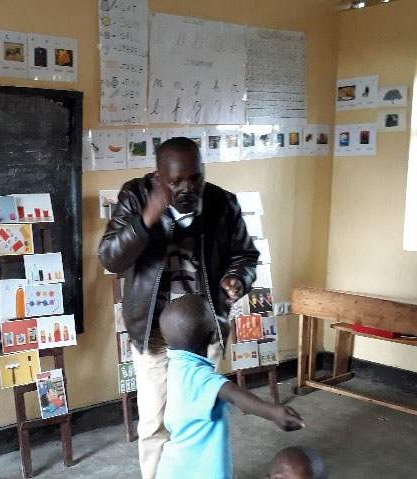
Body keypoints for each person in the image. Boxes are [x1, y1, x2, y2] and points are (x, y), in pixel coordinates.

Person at [98, 137, 259, 479]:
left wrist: (236, 279)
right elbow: (111, 258)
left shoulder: (222, 203)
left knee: (199, 417)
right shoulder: (135, 195)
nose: (188, 188)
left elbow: (245, 256)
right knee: (156, 421)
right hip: (153, 332)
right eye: (175, 181)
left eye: (195, 178)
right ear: (158, 177)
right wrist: (145, 220)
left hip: (203, 333)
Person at [156, 294, 305, 479]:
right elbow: (232, 393)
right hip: (199, 472)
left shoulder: (176, 364)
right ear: (212, 336)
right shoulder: (200, 377)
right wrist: (273, 412)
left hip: (172, 466)